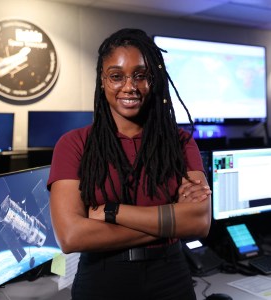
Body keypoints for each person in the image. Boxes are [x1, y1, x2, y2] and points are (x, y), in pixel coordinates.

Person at [48, 28, 212, 300]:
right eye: (116, 76)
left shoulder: (180, 143)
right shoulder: (73, 144)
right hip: (101, 279)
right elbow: (72, 237)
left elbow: (199, 222)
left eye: (140, 75)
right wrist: (170, 223)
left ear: (153, 79)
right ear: (102, 81)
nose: (129, 86)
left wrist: (112, 211)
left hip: (170, 276)